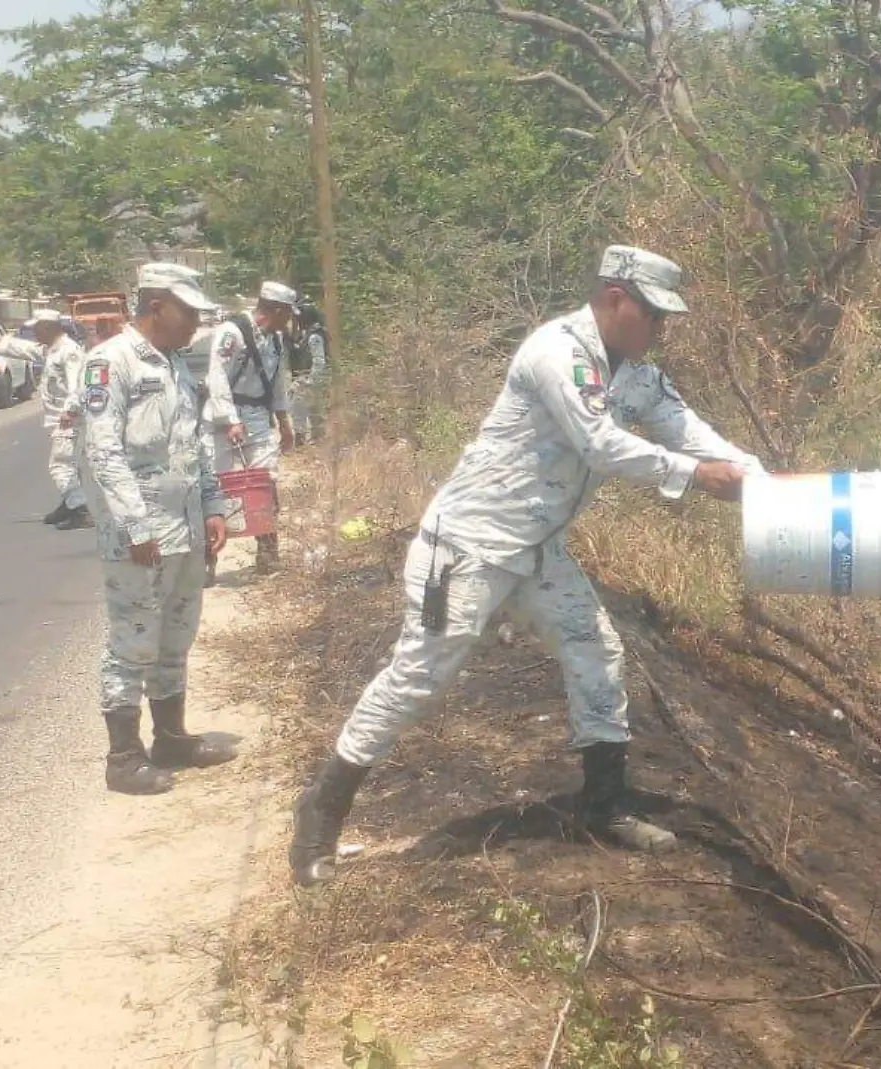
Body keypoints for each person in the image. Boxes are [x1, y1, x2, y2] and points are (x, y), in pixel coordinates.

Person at [289, 244, 764, 887]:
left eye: (665, 319)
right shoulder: (557, 352)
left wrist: (763, 481)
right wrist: (695, 477)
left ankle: (603, 806)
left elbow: (691, 431)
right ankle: (320, 815)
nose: (660, 329)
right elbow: (600, 445)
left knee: (596, 649)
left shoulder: (639, 377)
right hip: (468, 545)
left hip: (538, 550)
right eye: (653, 315)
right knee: (420, 677)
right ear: (616, 299)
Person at [79, 262, 238, 795]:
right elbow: (103, 451)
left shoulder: (176, 365)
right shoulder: (109, 363)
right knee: (132, 643)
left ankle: (171, 737)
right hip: (140, 537)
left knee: (176, 638)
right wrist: (133, 523)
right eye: (187, 311)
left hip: (186, 529)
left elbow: (194, 446)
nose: (195, 322)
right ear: (156, 306)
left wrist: (214, 505)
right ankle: (123, 758)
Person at [203, 280, 297, 576]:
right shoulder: (232, 332)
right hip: (223, 419)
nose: (290, 319)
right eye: (287, 313)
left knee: (266, 484)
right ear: (277, 310)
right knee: (215, 488)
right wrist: (230, 420)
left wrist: (284, 421)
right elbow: (216, 377)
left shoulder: (277, 340)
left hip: (257, 417)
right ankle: (208, 559)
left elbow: (278, 383)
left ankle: (268, 556)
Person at [34, 309, 91, 530]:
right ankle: (69, 503)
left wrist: (71, 409)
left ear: (48, 328)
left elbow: (77, 383)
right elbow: (30, 351)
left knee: (60, 464)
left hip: (68, 417)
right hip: (58, 416)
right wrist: (4, 344)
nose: (34, 333)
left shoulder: (69, 352)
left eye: (37, 328)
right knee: (70, 464)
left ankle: (79, 509)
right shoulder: (53, 350)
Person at [291, 303, 329, 445]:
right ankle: (316, 440)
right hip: (310, 378)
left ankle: (301, 440)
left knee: (299, 408)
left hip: (309, 379)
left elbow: (319, 361)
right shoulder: (310, 334)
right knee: (314, 410)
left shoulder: (314, 337)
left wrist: (310, 381)